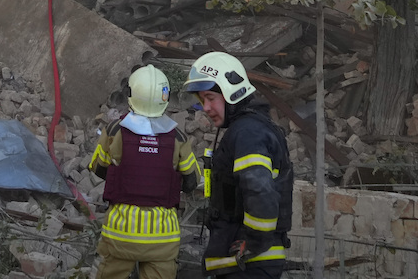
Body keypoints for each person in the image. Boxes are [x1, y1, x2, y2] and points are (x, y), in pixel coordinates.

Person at [183, 52, 293, 279]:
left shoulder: (248, 133)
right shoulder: (249, 129)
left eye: (211, 98)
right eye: (202, 100)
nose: (206, 107)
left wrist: (253, 243)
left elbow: (259, 189)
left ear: (232, 92)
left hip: (248, 266)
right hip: (244, 265)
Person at [88, 66, 202, 279]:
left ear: (131, 94)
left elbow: (99, 168)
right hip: (163, 238)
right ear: (165, 97)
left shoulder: (115, 130)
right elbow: (191, 181)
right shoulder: (177, 137)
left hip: (120, 234)